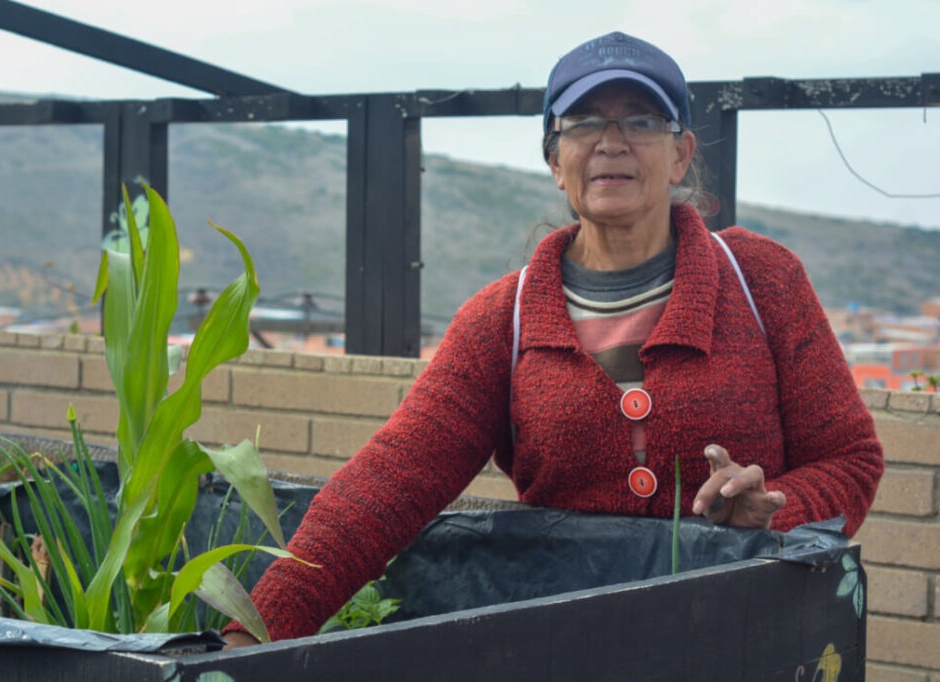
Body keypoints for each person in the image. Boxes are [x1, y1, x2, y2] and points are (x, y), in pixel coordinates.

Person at [223, 30, 884, 647]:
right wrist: (249, 637)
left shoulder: (761, 280)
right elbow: (381, 489)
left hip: (742, 644)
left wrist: (778, 511)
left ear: (681, 152)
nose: (611, 141)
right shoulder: (500, 320)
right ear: (554, 160)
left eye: (641, 121)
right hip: (571, 650)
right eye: (585, 123)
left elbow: (851, 462)